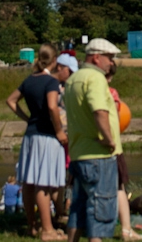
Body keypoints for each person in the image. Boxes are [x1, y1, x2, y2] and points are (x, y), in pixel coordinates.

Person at [6, 43, 68, 241]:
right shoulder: (50, 82)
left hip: (31, 135)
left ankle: (32, 226)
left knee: (30, 183)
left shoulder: (29, 80)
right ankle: (48, 230)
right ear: (55, 60)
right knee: (44, 183)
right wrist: (59, 131)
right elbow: (52, 107)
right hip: (46, 136)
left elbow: (11, 100)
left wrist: (27, 118)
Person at [64, 38, 122, 242]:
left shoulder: (73, 79)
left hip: (79, 152)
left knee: (78, 208)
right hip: (98, 154)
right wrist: (108, 139)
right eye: (109, 58)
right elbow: (98, 110)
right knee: (101, 210)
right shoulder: (95, 79)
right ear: (96, 57)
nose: (112, 63)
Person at [106, 63, 142, 241]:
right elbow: (112, 116)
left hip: (93, 146)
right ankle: (126, 229)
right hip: (111, 146)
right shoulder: (111, 93)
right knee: (119, 187)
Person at [54, 52, 79, 226]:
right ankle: (58, 208)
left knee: (71, 176)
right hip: (58, 137)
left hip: (72, 138)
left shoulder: (72, 86)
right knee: (59, 175)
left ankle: (67, 204)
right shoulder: (54, 88)